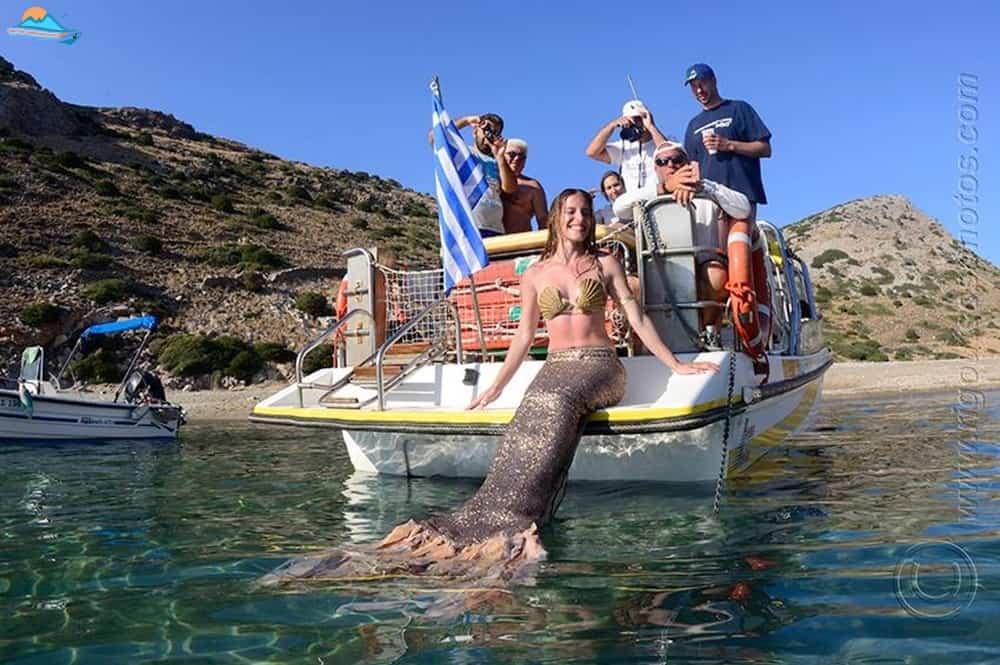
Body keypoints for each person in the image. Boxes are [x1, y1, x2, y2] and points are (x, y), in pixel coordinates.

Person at [262, 189, 717, 587]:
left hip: (600, 367)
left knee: (553, 400)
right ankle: (488, 524)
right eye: (571, 212)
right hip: (556, 366)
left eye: (585, 212)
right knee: (532, 407)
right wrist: (497, 387)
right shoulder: (536, 274)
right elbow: (523, 339)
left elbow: (636, 318)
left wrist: (675, 363)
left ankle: (517, 521)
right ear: (557, 219)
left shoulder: (606, 263)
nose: (580, 219)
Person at [613, 141, 751, 326]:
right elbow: (619, 208)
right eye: (662, 162)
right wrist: (664, 189)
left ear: (686, 162)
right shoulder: (647, 195)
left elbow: (743, 209)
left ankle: (708, 331)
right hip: (661, 267)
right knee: (631, 285)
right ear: (656, 169)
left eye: (676, 159)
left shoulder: (708, 189)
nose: (670, 164)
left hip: (704, 265)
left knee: (715, 275)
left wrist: (703, 187)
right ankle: (641, 344)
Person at [682, 63, 771, 220]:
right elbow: (693, 166)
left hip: (741, 195)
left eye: (702, 84)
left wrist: (729, 145)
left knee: (738, 244)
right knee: (712, 246)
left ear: (714, 81)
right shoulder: (693, 125)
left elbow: (765, 149)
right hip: (707, 200)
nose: (699, 90)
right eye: (694, 87)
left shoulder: (739, 108)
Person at [433, 113, 517, 237]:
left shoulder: (498, 161)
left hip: (495, 228)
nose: (488, 135)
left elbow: (509, 188)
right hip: (468, 226)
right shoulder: (463, 153)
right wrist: (466, 121)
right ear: (475, 131)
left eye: (494, 132)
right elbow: (435, 137)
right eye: (486, 129)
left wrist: (500, 157)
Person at [585, 100, 668, 192]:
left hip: (659, 198)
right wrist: (611, 126)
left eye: (638, 119)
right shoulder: (622, 147)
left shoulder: (660, 141)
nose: (634, 124)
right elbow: (592, 152)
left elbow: (669, 152)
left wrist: (651, 126)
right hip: (633, 202)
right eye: (631, 120)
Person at [500, 138, 548, 234]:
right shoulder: (491, 179)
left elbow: (543, 220)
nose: (517, 159)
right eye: (512, 154)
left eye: (522, 157)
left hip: (521, 243)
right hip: (490, 240)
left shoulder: (533, 186)